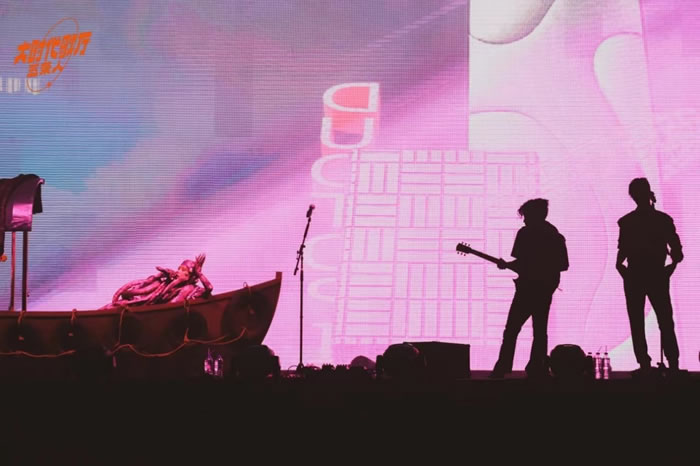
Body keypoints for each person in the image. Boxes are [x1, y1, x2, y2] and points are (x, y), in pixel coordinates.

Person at [489, 198, 569, 379]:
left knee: (512, 330)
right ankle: (537, 368)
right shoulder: (554, 235)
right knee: (539, 331)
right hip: (543, 289)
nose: (524, 220)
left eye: (526, 216)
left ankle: (503, 367)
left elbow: (522, 263)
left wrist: (509, 265)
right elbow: (563, 264)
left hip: (527, 289)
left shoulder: (525, 234)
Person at [616, 178, 683, 374]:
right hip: (656, 274)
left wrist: (622, 270)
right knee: (665, 320)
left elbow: (622, 252)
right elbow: (677, 250)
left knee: (637, 321)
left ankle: (645, 364)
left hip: (636, 275)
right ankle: (673, 364)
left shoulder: (627, 221)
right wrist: (670, 267)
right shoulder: (662, 220)